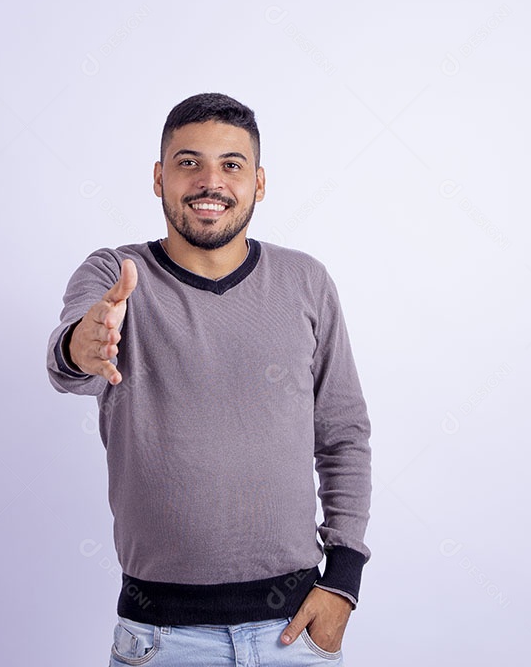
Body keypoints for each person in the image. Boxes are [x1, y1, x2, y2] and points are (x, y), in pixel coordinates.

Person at [46, 93, 372, 666]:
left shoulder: (306, 281)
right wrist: (85, 343)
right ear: (158, 177)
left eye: (231, 165)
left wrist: (343, 581)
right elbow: (68, 358)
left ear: (259, 182)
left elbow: (343, 434)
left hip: (293, 631)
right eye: (188, 162)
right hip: (161, 637)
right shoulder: (114, 273)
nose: (209, 182)